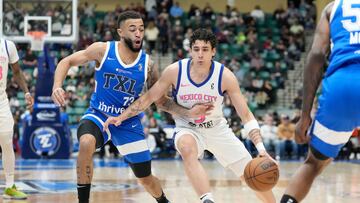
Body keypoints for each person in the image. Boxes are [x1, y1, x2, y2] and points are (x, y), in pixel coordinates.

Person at [51, 11, 210, 203]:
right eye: (133, 29)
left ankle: (164, 201)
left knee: (145, 178)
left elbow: (161, 101)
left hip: (127, 122)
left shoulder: (148, 64)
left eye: (141, 29)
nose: (138, 34)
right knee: (86, 143)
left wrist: (188, 112)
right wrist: (57, 85)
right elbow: (66, 61)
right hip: (99, 114)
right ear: (120, 32)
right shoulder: (102, 50)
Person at [104, 28, 276, 203]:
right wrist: (121, 117)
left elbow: (246, 115)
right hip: (187, 127)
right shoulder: (175, 71)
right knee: (187, 148)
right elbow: (149, 98)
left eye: (205, 49)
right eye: (196, 49)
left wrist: (261, 149)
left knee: (252, 175)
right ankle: (207, 199)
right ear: (191, 50)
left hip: (217, 129)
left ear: (213, 52)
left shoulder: (225, 76)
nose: (200, 54)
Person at [281, 2, 360, 202]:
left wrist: (305, 115)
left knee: (314, 163)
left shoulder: (332, 8)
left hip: (343, 86)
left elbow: (316, 56)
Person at [0, 38, 33, 199]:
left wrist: (26, 92)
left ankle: (9, 186)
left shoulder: (7, 46)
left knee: (7, 141)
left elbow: (17, 72)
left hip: (1, 101)